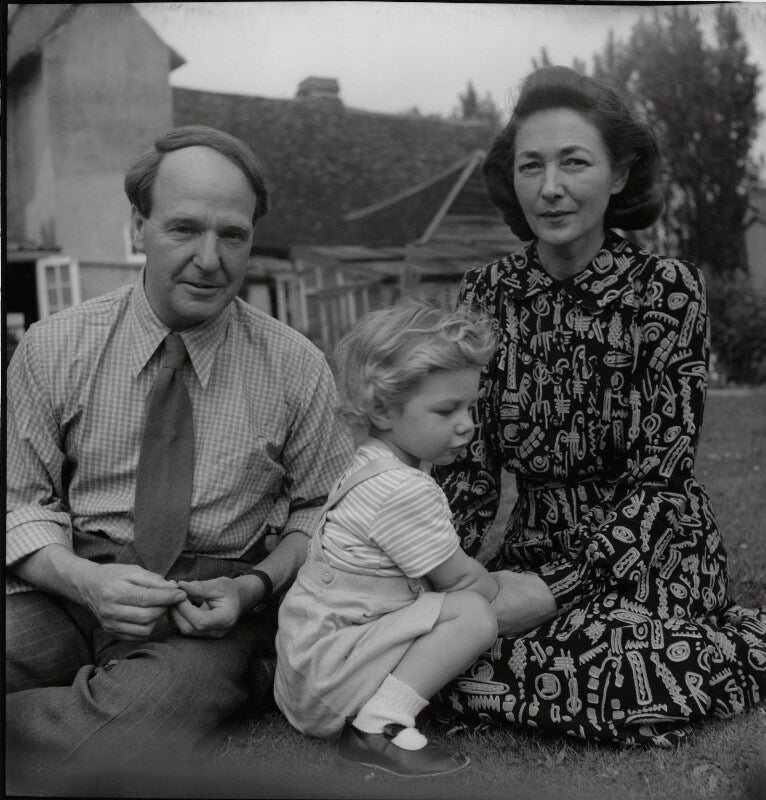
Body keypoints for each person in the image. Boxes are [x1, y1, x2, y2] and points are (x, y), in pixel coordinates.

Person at [5, 125, 353, 783]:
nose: (209, 259)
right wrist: (86, 582)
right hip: (72, 591)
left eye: (233, 235)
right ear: (138, 227)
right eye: (184, 228)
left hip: (207, 615)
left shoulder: (297, 367)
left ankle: (189, 687)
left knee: (147, 714)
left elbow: (325, 512)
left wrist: (252, 587)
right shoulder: (53, 348)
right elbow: (19, 501)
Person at [431, 66, 766, 747]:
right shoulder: (486, 293)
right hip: (534, 546)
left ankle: (736, 646)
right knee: (429, 645)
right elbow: (468, 466)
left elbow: (660, 478)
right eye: (531, 166)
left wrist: (552, 592)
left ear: (619, 174)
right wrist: (434, 576)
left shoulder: (669, 290)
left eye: (574, 162)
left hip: (651, 549)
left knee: (615, 673)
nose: (550, 187)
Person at [274, 300, 500, 777]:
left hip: (307, 670)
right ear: (382, 409)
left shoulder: (368, 462)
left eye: (470, 407)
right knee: (474, 614)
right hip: (329, 685)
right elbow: (463, 582)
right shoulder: (403, 489)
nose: (467, 424)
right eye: (446, 410)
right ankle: (378, 726)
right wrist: (499, 588)